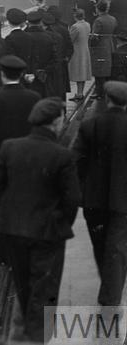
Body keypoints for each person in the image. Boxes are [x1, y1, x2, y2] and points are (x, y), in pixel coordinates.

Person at [0, 98, 81, 342]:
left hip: (13, 230)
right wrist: (61, 224)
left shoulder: (10, 146)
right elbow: (72, 200)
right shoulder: (62, 155)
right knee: (45, 288)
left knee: (23, 284)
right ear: (56, 122)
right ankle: (37, 336)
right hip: (47, 232)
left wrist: (3, 219)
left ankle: (26, 329)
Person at [71, 81, 127, 305]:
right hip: (124, 200)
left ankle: (110, 288)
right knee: (117, 246)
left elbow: (75, 161)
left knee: (100, 244)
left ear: (106, 99)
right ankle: (111, 293)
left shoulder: (89, 125)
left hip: (93, 199)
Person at [0, 55, 40, 263]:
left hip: (0, 159)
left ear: (2, 74)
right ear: (22, 74)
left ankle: (1, 250)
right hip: (28, 158)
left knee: (1, 204)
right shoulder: (34, 97)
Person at [91, 1, 117, 98]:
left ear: (98, 9)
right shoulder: (113, 19)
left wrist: (91, 45)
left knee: (99, 70)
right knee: (107, 68)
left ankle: (99, 92)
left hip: (100, 46)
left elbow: (94, 36)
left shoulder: (98, 20)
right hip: (110, 44)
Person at [68, 9, 92, 100]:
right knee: (83, 72)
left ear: (75, 16)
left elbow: (71, 40)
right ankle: (80, 93)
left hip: (77, 51)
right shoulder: (87, 24)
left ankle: (79, 94)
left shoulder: (75, 26)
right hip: (85, 50)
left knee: (78, 72)